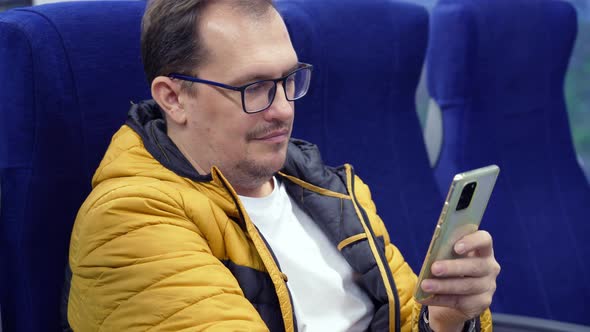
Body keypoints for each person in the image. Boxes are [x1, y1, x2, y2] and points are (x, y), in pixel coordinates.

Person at [65, 0, 500, 331]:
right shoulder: (130, 219)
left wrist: (445, 320)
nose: (282, 110)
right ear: (174, 98)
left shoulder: (329, 190)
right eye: (253, 87)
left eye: (288, 80)